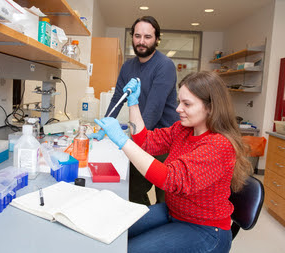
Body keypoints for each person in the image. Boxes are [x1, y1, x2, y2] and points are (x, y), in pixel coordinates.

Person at [95, 71, 252, 253]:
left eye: (187, 104)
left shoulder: (219, 145)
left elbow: (169, 179)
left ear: (210, 107)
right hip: (174, 211)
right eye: (179, 102)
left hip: (205, 229)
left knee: (129, 250)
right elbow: (146, 142)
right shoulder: (184, 129)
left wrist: (123, 141)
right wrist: (134, 103)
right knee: (113, 230)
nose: (178, 109)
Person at [90, 16, 179, 205]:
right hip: (143, 137)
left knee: (167, 199)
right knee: (134, 191)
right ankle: (141, 226)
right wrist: (104, 127)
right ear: (132, 37)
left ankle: (161, 229)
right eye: (138, 36)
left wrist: (130, 141)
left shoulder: (165, 66)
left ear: (157, 39)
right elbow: (117, 99)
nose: (141, 41)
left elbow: (153, 112)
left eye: (147, 37)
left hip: (165, 141)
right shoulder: (128, 66)